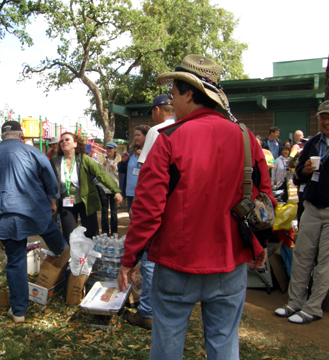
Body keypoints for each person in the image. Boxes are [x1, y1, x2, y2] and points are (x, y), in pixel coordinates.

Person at [117, 54, 274, 359]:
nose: (171, 102)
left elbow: (148, 211)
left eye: (174, 94)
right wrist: (260, 243)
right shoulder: (246, 138)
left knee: (167, 346)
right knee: (225, 344)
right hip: (229, 262)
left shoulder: (168, 140)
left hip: (177, 264)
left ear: (189, 93)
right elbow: (264, 198)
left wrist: (129, 258)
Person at [0, 121, 68, 323]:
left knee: (15, 261)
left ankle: (19, 312)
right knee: (60, 246)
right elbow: (50, 179)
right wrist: (52, 201)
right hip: (36, 211)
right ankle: (73, 284)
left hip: (5, 215)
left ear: (1, 136)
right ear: (21, 135)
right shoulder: (34, 152)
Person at [275, 100, 329, 325]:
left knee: (324, 263)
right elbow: (296, 175)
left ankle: (313, 308)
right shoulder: (314, 143)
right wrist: (304, 170)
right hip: (312, 208)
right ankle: (295, 302)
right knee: (301, 256)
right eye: (322, 117)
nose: (326, 121)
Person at [126, 95, 175, 330]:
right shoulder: (183, 127)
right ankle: (159, 305)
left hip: (156, 204)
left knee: (149, 258)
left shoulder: (157, 131)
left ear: (157, 110)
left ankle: (146, 310)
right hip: (175, 206)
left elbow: (146, 174)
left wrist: (138, 208)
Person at [50, 132, 123, 242]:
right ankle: (71, 258)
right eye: (61, 140)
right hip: (66, 203)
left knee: (90, 235)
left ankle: (91, 258)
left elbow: (101, 175)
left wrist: (115, 191)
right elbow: (50, 183)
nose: (63, 142)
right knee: (69, 237)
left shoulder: (84, 159)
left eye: (67, 140)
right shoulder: (55, 162)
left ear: (75, 144)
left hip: (86, 202)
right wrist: (53, 203)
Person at [118, 125, 150, 215]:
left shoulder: (152, 151)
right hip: (131, 193)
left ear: (146, 136)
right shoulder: (131, 152)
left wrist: (145, 156)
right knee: (132, 217)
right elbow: (122, 170)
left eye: (138, 135)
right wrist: (123, 162)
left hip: (145, 193)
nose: (135, 138)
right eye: (135, 135)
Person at [96, 141, 120, 236]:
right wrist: (104, 165)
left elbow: (120, 174)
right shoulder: (101, 158)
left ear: (115, 149)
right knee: (104, 211)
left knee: (114, 211)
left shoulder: (119, 159)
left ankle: (114, 232)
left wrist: (115, 169)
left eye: (110, 148)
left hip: (114, 189)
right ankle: (105, 232)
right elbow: (97, 172)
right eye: (107, 148)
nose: (108, 150)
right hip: (103, 188)